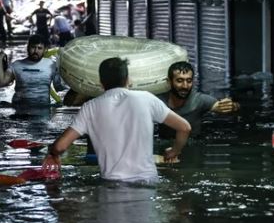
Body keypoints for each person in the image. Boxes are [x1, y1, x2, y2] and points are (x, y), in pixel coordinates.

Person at [42, 57, 191, 183]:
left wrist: (52, 154)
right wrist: (174, 151)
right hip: (147, 181)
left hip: (113, 184)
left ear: (101, 83)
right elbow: (184, 127)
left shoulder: (90, 107)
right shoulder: (146, 98)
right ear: (128, 80)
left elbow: (60, 146)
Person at [158, 61, 240, 138]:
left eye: (189, 81)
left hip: (193, 144)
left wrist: (232, 106)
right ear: (169, 81)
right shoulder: (159, 102)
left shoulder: (199, 100)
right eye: (180, 81)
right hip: (165, 144)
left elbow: (219, 106)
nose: (185, 86)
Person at [0, 35, 63, 106]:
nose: (36, 51)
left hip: (43, 109)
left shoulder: (52, 65)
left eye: (39, 48)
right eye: (33, 47)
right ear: (28, 48)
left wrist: (64, 68)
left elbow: (59, 87)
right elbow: (1, 83)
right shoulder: (16, 65)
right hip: (20, 109)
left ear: (45, 50)